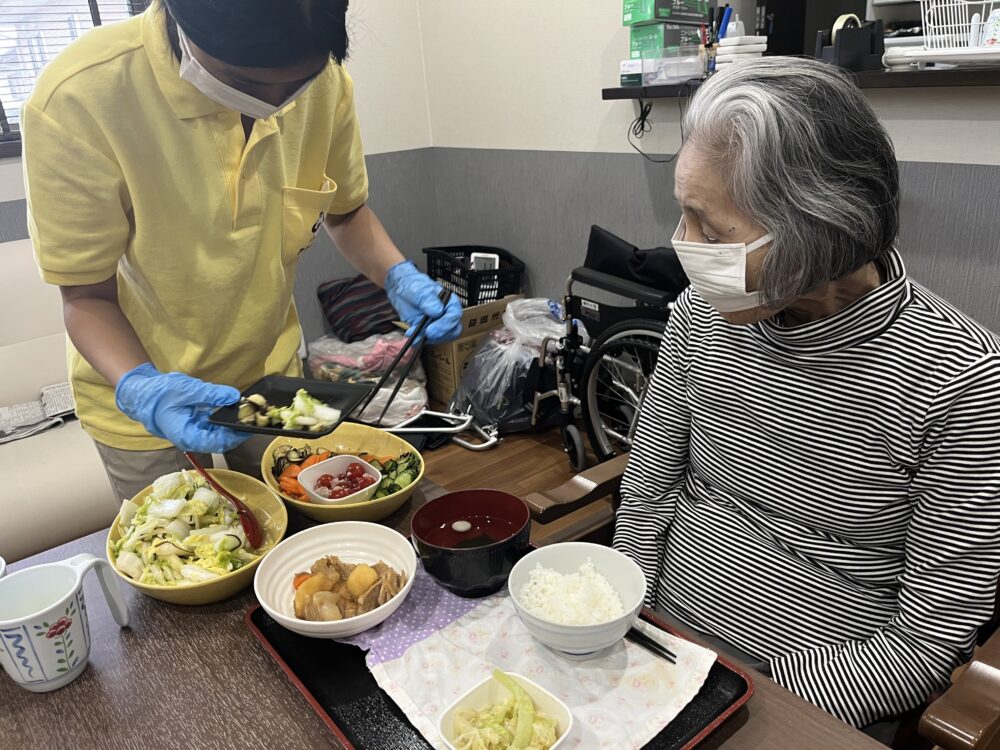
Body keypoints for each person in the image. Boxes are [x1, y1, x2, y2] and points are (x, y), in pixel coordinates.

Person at [613, 57, 1000, 740]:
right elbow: (647, 491)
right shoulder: (701, 315)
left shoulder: (962, 383)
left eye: (711, 229)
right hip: (657, 646)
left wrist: (745, 696)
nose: (684, 247)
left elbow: (929, 639)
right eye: (683, 213)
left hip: (805, 699)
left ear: (816, 232)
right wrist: (622, 618)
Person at [22, 0, 462, 501]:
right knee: (183, 554)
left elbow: (345, 211)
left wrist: (399, 275)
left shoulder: (328, 85)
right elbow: (86, 296)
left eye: (297, 84)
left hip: (271, 381)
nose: (274, 104)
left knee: (291, 534)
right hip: (141, 389)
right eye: (247, 86)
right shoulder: (79, 96)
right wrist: (141, 386)